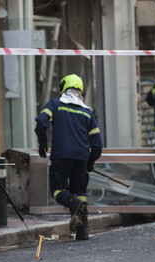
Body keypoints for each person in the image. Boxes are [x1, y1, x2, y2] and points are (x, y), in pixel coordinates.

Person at [35, 74, 103, 240]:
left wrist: (43, 143)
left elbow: (41, 122)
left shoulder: (56, 105)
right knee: (79, 191)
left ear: (64, 88)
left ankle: (74, 205)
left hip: (61, 156)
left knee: (58, 190)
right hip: (81, 157)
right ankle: (83, 230)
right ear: (81, 90)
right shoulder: (88, 112)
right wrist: (90, 162)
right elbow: (97, 145)